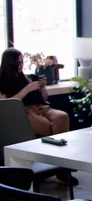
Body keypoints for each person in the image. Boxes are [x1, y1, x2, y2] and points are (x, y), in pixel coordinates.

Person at [0, 48, 75, 184]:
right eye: (18, 63)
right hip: (24, 111)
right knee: (47, 127)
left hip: (43, 107)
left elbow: (44, 98)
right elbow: (6, 103)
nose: (21, 66)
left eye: (22, 62)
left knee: (62, 117)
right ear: (9, 63)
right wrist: (27, 89)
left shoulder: (28, 77)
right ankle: (57, 167)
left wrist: (42, 88)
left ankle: (61, 167)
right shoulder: (3, 81)